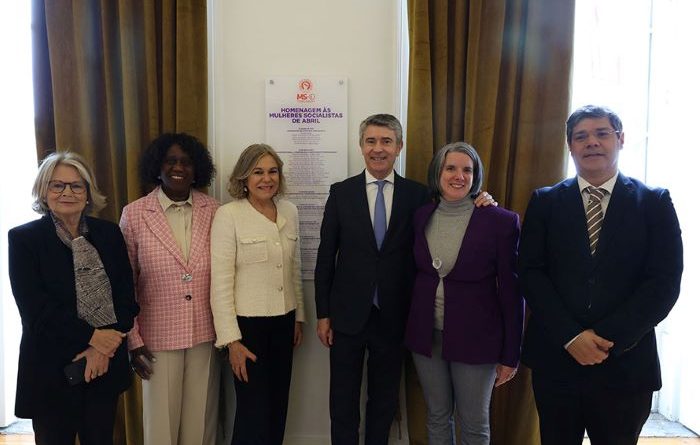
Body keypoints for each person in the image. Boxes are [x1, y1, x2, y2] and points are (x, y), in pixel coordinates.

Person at [314, 114, 495, 445]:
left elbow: (454, 211)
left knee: (384, 400)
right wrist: (323, 313)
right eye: (371, 141)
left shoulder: (418, 195)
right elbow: (326, 256)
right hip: (346, 316)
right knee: (342, 400)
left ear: (399, 147)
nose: (378, 149)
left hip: (396, 315)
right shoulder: (341, 193)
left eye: (386, 141)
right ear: (361, 146)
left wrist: (483, 199)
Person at [519, 105, 683, 445]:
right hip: (557, 361)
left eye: (602, 133)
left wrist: (607, 338)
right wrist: (571, 337)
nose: (591, 142)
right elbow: (530, 273)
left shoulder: (654, 202)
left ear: (620, 140)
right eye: (581, 136)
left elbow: (664, 281)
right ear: (570, 146)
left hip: (625, 364)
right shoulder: (545, 202)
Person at [8, 151, 139, 445]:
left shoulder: (109, 233)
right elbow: (36, 311)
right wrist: (94, 338)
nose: (67, 192)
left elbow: (126, 298)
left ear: (88, 193)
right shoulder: (24, 239)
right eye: (57, 185)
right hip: (50, 370)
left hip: (103, 367)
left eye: (76, 185)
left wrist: (101, 349)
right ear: (44, 191)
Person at [404, 142, 523, 445]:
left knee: (473, 423)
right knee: (436, 416)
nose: (459, 176)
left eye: (467, 170)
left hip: (477, 339)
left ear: (476, 176)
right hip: (426, 336)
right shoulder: (420, 216)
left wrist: (511, 354)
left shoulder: (499, 221)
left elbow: (512, 293)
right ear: (438, 173)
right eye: (451, 168)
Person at [119, 133, 219, 445]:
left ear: (197, 168)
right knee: (161, 426)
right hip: (156, 339)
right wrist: (133, 340)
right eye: (171, 161)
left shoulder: (215, 210)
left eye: (186, 162)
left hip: (205, 333)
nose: (179, 167)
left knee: (200, 425)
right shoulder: (135, 214)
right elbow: (124, 283)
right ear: (157, 166)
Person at [210, 143, 305, 445]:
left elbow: (294, 269)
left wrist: (299, 318)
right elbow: (220, 283)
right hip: (248, 328)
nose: (267, 179)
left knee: (278, 407)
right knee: (253, 412)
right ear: (244, 178)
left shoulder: (289, 211)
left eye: (272, 171)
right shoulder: (229, 215)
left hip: (284, 323)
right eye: (258, 172)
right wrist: (231, 341)